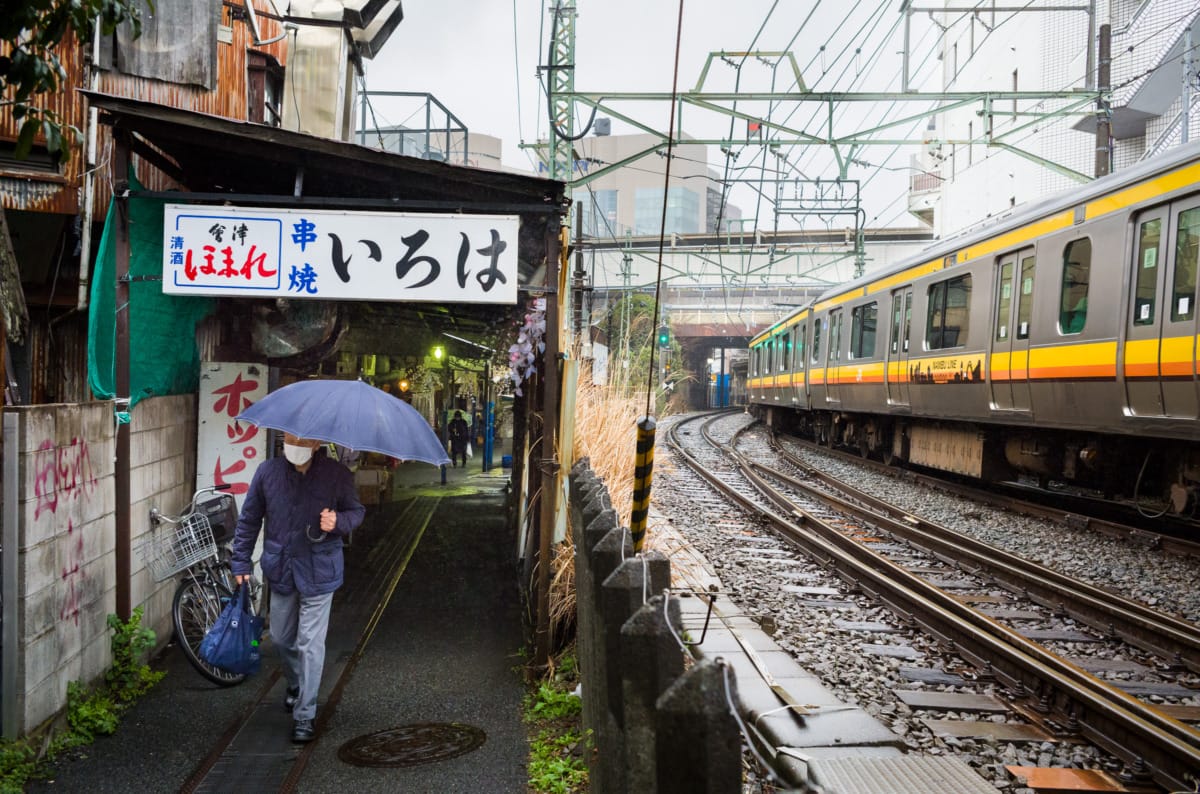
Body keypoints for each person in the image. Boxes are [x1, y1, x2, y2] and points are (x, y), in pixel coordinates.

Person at [230, 433, 365, 743]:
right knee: (280, 637)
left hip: (320, 568)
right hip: (282, 568)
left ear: (316, 444)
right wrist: (241, 562)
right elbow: (249, 519)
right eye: (289, 438)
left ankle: (305, 715)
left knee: (309, 644)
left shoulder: (336, 474)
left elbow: (356, 511)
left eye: (303, 440)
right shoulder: (267, 472)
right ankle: (295, 684)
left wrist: (338, 522)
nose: (293, 444)